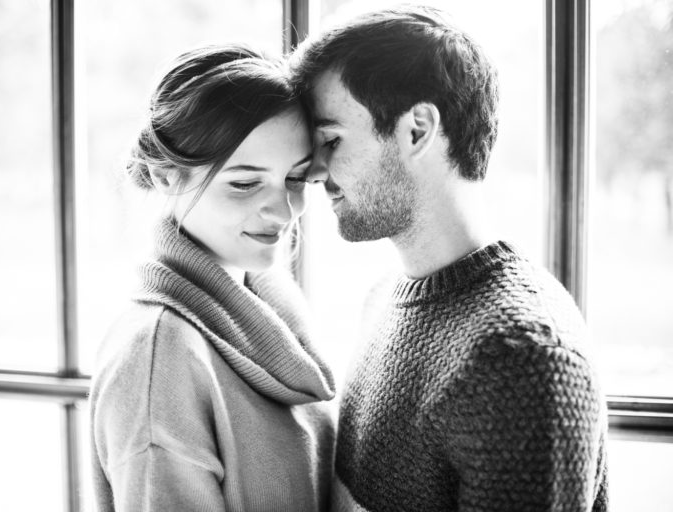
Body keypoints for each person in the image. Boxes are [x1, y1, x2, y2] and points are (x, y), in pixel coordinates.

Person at [291, 6, 608, 512]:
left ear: (417, 130)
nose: (313, 171)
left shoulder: (523, 358)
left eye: (331, 140)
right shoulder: (383, 299)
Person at [89, 44, 336, 512]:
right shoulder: (157, 364)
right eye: (244, 183)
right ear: (166, 176)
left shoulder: (276, 313)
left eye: (296, 179)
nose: (284, 211)